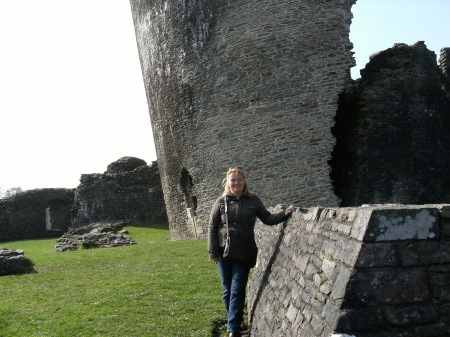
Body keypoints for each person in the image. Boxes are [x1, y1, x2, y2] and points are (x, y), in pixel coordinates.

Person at [208, 167, 295, 337]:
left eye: (239, 180)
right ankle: (233, 321)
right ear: (228, 182)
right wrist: (213, 252)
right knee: (227, 289)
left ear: (244, 181)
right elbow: (212, 227)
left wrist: (284, 214)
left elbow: (268, 219)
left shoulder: (253, 200)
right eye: (233, 180)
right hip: (223, 249)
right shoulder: (221, 201)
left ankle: (232, 328)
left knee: (238, 288)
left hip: (244, 249)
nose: (236, 183)